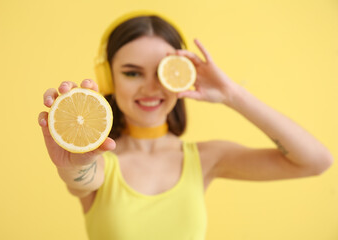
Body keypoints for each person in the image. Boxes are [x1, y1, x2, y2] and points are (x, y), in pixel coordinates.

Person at [38, 11, 333, 240]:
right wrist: (72, 162)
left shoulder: (206, 158)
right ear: (107, 79)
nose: (151, 88)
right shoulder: (102, 163)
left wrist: (233, 94)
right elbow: (79, 176)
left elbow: (316, 161)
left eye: (162, 72)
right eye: (132, 73)